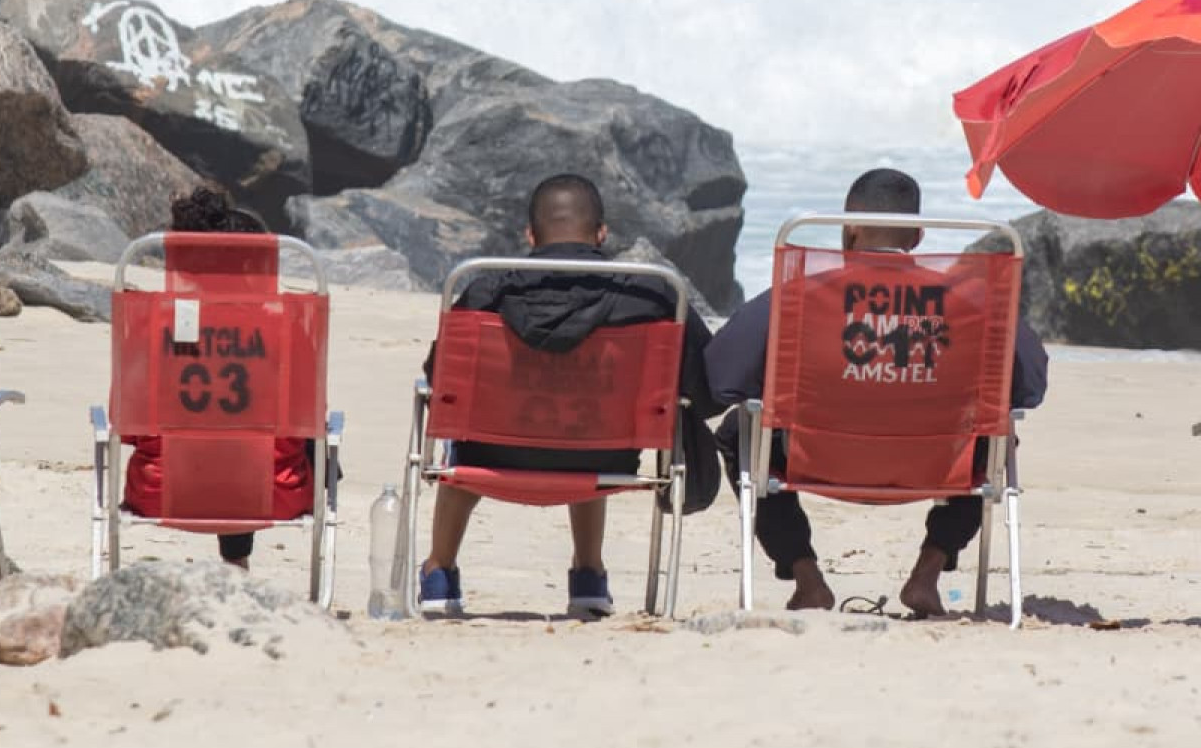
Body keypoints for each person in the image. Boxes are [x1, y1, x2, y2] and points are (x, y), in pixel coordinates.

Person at [704, 167, 1049, 616]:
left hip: (818, 459)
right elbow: (1029, 386)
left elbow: (722, 374)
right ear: (919, 235)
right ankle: (927, 574)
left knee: (740, 431)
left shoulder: (800, 298)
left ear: (849, 231)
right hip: (937, 463)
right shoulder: (970, 302)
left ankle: (807, 579)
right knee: (994, 436)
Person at [417, 173, 719, 619]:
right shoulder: (651, 292)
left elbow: (439, 376)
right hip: (605, 457)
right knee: (588, 416)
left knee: (465, 429)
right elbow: (705, 378)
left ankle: (440, 570)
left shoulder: (485, 289)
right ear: (601, 235)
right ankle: (589, 575)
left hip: (492, 456)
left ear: (531, 236)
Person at [119, 187, 314, 569]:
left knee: (213, 437)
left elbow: (128, 426)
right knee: (256, 440)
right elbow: (308, 418)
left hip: (164, 490)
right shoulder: (287, 327)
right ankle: (235, 562)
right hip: (271, 493)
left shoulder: (151, 323)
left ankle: (234, 563)